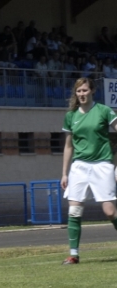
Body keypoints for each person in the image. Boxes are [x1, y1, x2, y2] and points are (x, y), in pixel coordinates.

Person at [61, 77, 117, 265]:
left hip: (102, 165)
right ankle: (73, 254)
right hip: (79, 167)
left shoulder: (104, 111)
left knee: (109, 211)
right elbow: (68, 146)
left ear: (92, 91)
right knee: (74, 210)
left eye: (85, 90)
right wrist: (64, 172)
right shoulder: (71, 116)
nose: (82, 94)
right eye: (79, 91)